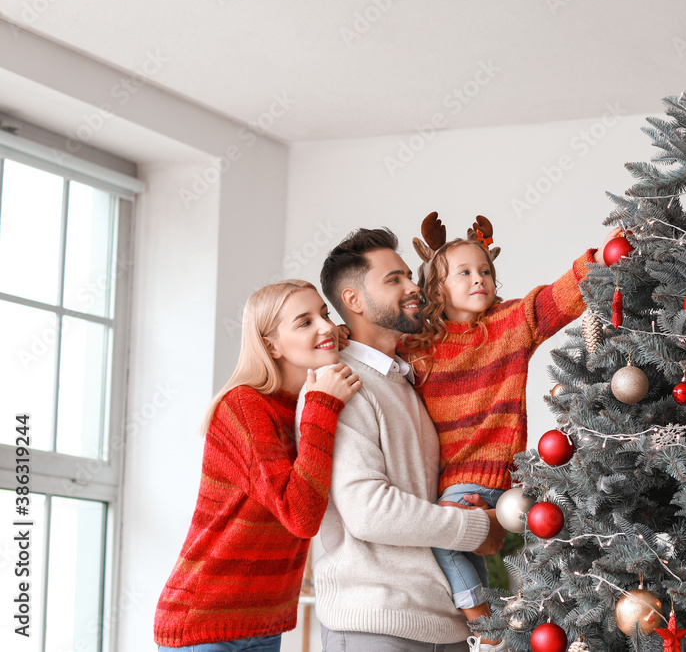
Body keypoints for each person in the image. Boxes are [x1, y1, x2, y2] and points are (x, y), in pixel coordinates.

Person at [399, 214, 616, 651]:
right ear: (436, 287)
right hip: (463, 486)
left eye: (485, 271)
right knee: (466, 554)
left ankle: (482, 621)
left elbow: (558, 298)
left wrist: (603, 257)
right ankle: (499, 627)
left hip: (506, 483)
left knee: (447, 540)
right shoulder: (417, 346)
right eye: (464, 272)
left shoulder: (511, 323)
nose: (479, 279)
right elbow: (368, 341)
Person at [307, 228, 507, 652]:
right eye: (393, 280)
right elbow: (369, 512)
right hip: (377, 626)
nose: (414, 286)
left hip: (444, 627)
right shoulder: (338, 384)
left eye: (408, 276)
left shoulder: (409, 377)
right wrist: (477, 528)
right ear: (353, 300)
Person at [154, 280, 361, 652]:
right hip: (207, 621)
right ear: (270, 345)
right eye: (304, 322)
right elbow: (300, 515)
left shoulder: (302, 406)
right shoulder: (246, 405)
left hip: (264, 623)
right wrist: (323, 407)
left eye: (325, 314)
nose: (326, 326)